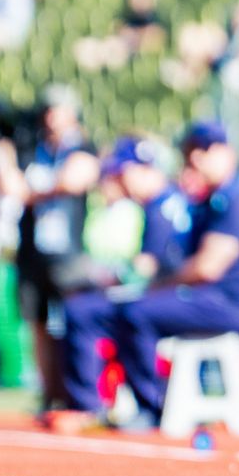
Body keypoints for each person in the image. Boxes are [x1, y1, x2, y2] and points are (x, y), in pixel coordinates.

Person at [106, 121, 239, 430]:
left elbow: (207, 267)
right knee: (129, 309)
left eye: (205, 150)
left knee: (137, 312)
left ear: (227, 152)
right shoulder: (209, 200)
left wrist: (156, 287)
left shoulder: (238, 198)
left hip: (233, 303)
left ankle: (151, 407)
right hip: (210, 297)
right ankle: (145, 403)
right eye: (192, 152)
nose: (196, 159)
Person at [54, 136, 191, 422]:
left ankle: (142, 405)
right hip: (168, 293)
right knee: (85, 308)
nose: (118, 179)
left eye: (122, 171)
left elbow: (146, 268)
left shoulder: (163, 206)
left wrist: (101, 276)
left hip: (174, 297)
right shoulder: (163, 202)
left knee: (98, 311)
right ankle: (93, 404)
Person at [0, 84, 98, 412]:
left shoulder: (79, 147)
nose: (51, 117)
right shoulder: (31, 149)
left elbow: (73, 180)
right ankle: (49, 395)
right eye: (47, 110)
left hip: (67, 252)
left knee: (74, 320)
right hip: (33, 250)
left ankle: (77, 395)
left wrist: (31, 191)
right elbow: (7, 185)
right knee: (37, 323)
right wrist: (3, 141)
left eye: (58, 109)